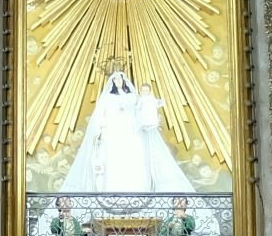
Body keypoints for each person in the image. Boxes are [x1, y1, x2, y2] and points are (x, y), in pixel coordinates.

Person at [59, 64, 196, 194]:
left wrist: (151, 115)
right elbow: (100, 115)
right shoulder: (107, 97)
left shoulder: (132, 96)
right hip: (112, 134)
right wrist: (98, 131)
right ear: (112, 81)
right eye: (116, 79)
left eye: (120, 78)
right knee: (112, 162)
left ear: (124, 80)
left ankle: (137, 192)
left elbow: (142, 110)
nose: (118, 81)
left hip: (132, 132)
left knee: (135, 160)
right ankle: (112, 194)